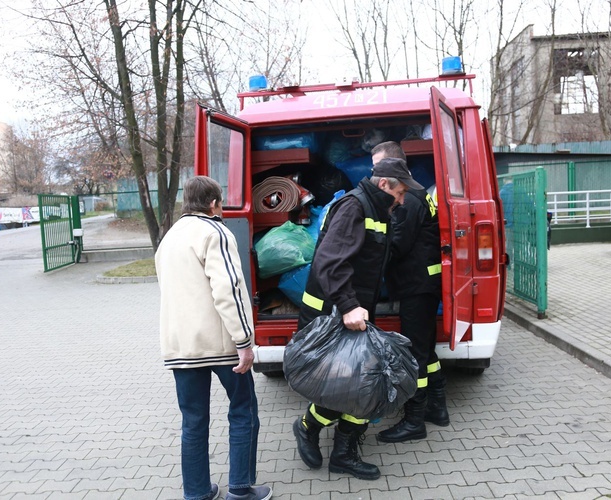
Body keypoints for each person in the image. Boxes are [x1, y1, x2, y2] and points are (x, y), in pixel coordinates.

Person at [293, 157, 423, 481]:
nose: (403, 199)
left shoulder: (379, 211)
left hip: (355, 313)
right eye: (401, 192)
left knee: (361, 386)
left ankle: (343, 454)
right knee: (343, 386)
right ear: (384, 185)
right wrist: (350, 305)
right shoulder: (354, 208)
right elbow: (329, 262)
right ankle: (307, 427)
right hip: (332, 312)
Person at [155, 176, 272, 500]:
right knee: (243, 409)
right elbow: (228, 290)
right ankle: (240, 487)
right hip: (221, 345)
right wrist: (244, 341)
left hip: (181, 345)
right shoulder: (214, 232)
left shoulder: (170, 238)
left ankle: (197, 492)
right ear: (213, 204)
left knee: (193, 421)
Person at [371, 141, 451, 444]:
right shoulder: (419, 193)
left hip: (416, 285)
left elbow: (398, 244)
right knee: (426, 350)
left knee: (415, 355)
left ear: (392, 166)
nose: (373, 172)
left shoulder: (408, 199)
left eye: (376, 165)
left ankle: (414, 421)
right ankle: (437, 408)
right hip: (423, 284)